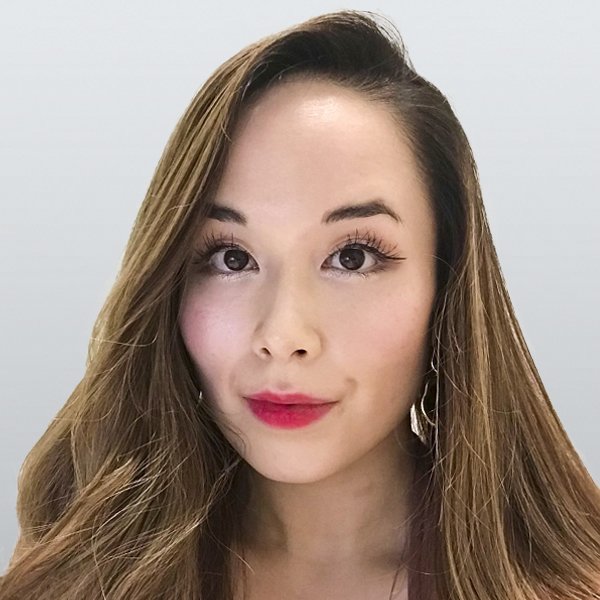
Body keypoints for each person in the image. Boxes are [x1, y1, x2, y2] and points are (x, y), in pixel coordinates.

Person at [1, 10, 599, 600]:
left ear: (446, 285)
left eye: (353, 257)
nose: (284, 334)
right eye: (232, 258)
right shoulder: (74, 583)